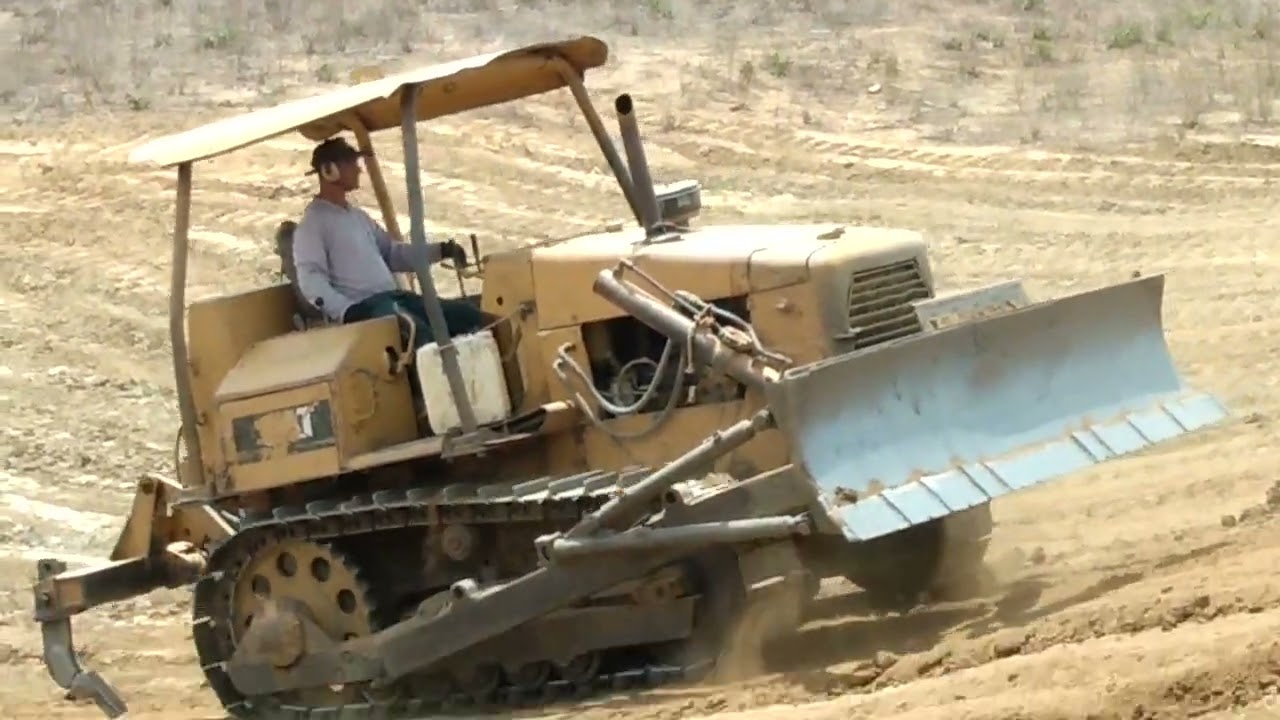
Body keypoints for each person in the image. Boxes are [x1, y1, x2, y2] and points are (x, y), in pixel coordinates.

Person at [291, 136, 485, 348]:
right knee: (417, 335)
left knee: (468, 317)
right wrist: (346, 310)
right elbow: (311, 279)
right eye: (352, 164)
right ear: (330, 170)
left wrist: (441, 250)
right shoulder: (313, 224)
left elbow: (392, 254)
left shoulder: (357, 216)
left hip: (395, 298)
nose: (359, 170)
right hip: (367, 308)